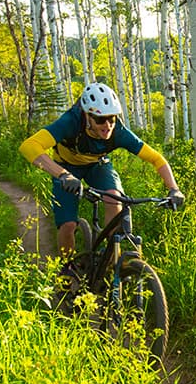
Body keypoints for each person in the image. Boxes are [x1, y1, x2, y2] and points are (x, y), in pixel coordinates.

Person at [19, 82, 185, 255]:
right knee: (68, 225)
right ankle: (66, 272)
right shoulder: (71, 122)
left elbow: (156, 159)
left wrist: (174, 189)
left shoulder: (118, 132)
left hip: (97, 165)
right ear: (87, 116)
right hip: (66, 168)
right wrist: (62, 175)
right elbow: (29, 146)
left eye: (111, 118)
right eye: (100, 119)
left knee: (115, 197)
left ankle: (112, 257)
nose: (107, 125)